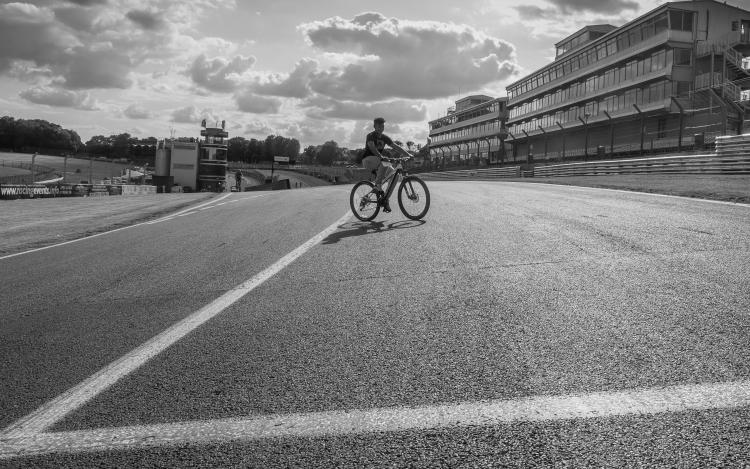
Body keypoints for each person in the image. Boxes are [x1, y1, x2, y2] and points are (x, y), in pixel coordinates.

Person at [361, 117, 411, 212]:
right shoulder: (370, 135)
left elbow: (396, 147)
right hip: (368, 160)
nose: (381, 128)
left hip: (380, 160)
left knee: (395, 176)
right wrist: (381, 156)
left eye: (382, 126)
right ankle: (378, 185)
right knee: (383, 162)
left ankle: (385, 199)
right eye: (379, 126)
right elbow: (372, 147)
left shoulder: (385, 138)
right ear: (374, 126)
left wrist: (408, 155)